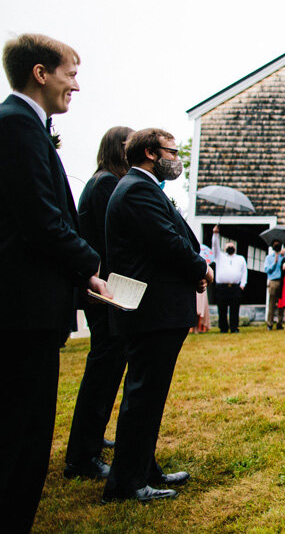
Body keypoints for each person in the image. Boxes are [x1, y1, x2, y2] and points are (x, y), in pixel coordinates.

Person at [0, 34, 109, 530]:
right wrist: (89, 265)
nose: (77, 86)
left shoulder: (27, 126)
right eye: (71, 73)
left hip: (29, 306)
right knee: (22, 432)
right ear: (40, 73)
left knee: (27, 429)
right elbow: (42, 220)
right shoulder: (17, 126)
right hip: (22, 308)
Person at [103, 128, 212, 503]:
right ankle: (127, 483)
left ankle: (143, 469)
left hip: (159, 310)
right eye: (172, 151)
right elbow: (168, 242)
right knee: (144, 395)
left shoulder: (145, 188)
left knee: (149, 394)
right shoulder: (137, 189)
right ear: (150, 153)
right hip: (152, 311)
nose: (177, 158)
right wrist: (201, 268)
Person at [64, 126, 133, 482]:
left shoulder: (99, 181)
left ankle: (90, 439)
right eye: (130, 143)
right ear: (118, 148)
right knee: (103, 368)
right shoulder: (106, 184)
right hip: (104, 289)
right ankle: (82, 455)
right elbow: (117, 235)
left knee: (106, 365)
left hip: (102, 288)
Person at [211, 226, 248, 333]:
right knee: (222, 309)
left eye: (232, 246)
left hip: (235, 287)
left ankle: (234, 327)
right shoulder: (219, 256)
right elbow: (215, 246)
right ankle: (223, 328)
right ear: (225, 248)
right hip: (221, 287)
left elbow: (244, 272)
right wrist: (215, 234)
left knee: (234, 309)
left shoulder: (240, 258)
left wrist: (243, 284)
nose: (230, 247)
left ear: (235, 248)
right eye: (228, 246)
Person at [263, 240, 284, 330]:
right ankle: (269, 323)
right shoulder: (269, 257)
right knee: (272, 303)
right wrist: (274, 263)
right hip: (273, 281)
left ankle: (279, 322)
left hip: (282, 281)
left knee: (281, 303)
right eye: (275, 244)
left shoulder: (284, 256)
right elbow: (267, 270)